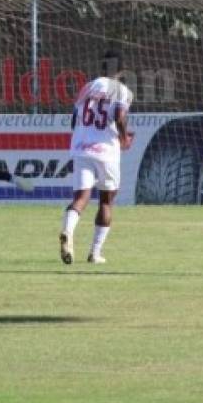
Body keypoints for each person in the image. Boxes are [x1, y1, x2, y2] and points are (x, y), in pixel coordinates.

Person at [59, 51, 133, 265]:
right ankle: (95, 253)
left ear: (102, 67)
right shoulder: (122, 91)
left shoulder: (86, 88)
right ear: (121, 70)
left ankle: (67, 230)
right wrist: (124, 137)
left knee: (80, 198)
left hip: (82, 148)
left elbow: (74, 120)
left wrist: (83, 136)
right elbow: (119, 115)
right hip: (106, 152)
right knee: (106, 201)